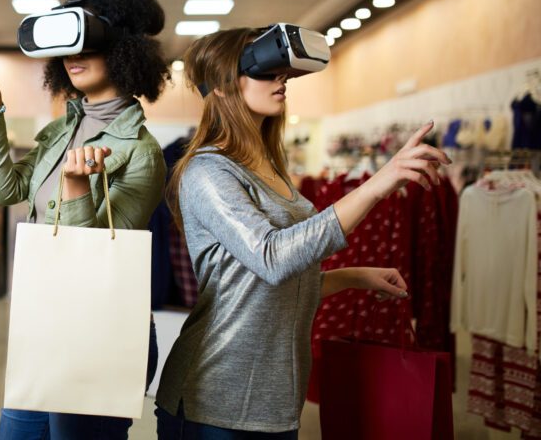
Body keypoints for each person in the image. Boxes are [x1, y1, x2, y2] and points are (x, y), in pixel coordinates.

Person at [154, 27, 452, 439]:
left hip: (276, 399)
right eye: (266, 72)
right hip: (217, 396)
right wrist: (381, 182)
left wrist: (352, 277)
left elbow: (261, 288)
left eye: (283, 73)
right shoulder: (208, 171)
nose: (282, 80)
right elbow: (272, 259)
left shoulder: (270, 169)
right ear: (221, 87)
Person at [0, 0, 171, 440]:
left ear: (125, 51)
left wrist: (74, 188)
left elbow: (88, 258)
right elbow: (0, 190)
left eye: (90, 42)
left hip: (99, 336)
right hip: (44, 325)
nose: (73, 55)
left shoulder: (142, 153)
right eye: (67, 45)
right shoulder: (60, 130)